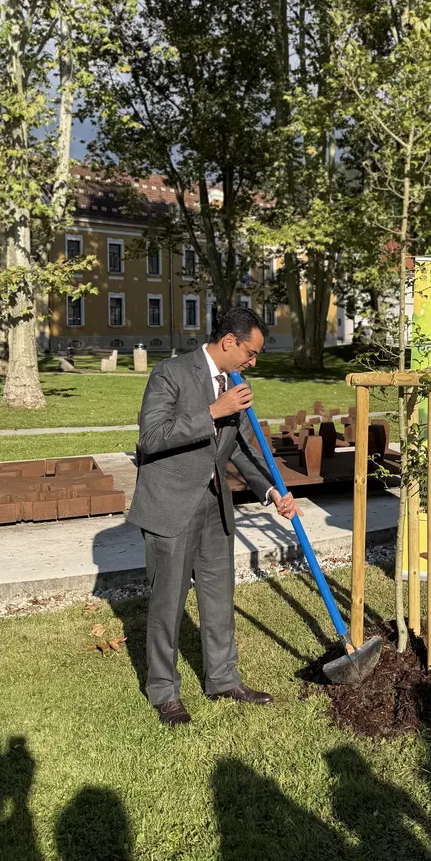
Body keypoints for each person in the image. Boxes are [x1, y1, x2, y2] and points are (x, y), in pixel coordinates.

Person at [128, 307, 298, 727]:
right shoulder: (171, 374)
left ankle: (223, 679)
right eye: (251, 353)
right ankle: (163, 691)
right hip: (170, 506)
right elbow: (150, 438)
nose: (253, 362)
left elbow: (239, 447)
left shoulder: (234, 383)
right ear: (229, 343)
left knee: (219, 600)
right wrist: (212, 411)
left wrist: (273, 490)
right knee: (168, 606)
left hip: (214, 507)